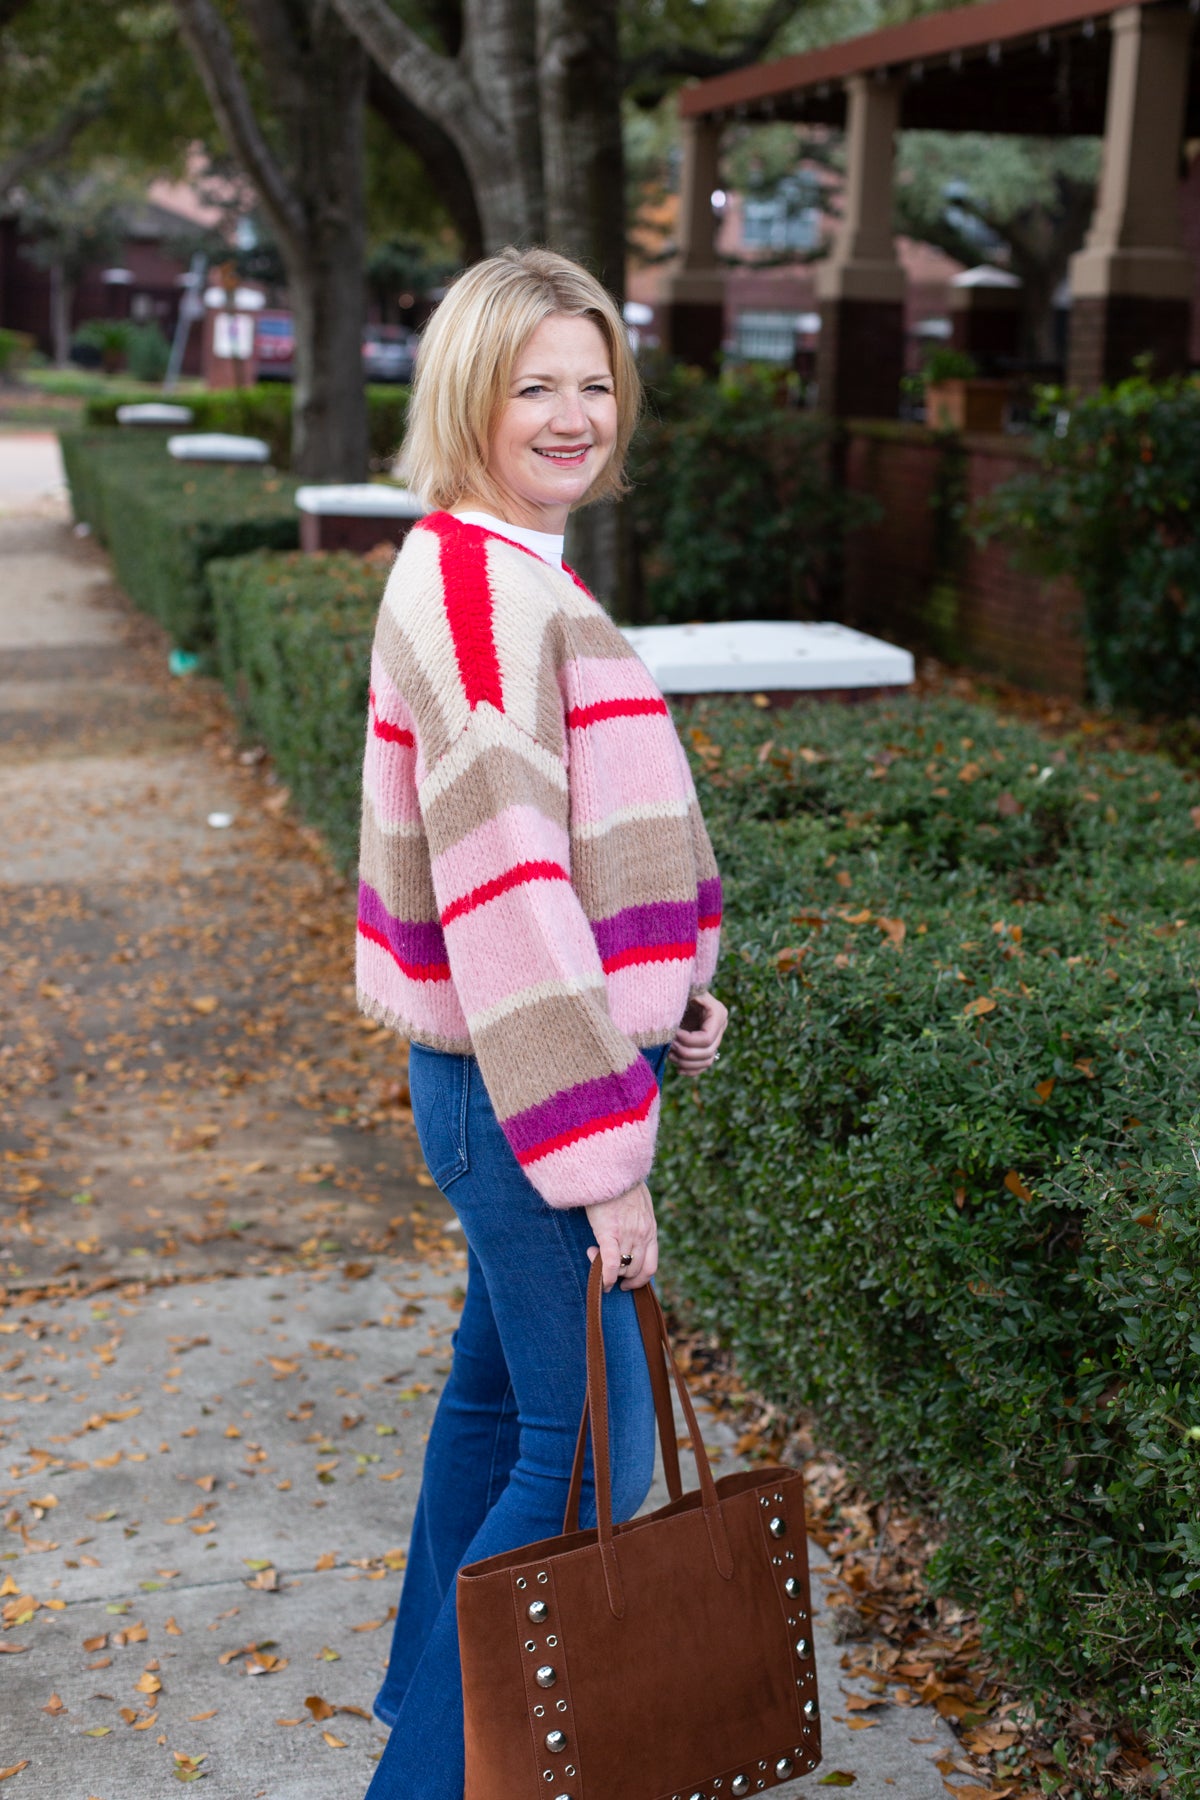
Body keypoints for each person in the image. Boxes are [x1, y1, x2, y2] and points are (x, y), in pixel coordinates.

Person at [355, 246, 728, 1800]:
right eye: (534, 388)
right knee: (586, 1463)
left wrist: (675, 976)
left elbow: (587, 834)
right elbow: (508, 891)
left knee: (503, 1409)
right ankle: (435, 1777)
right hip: (533, 1093)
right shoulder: (479, 592)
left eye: (594, 382)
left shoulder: (504, 566)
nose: (575, 416)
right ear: (468, 399)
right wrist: (606, 1162)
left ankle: (421, 1722)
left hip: (528, 1068)